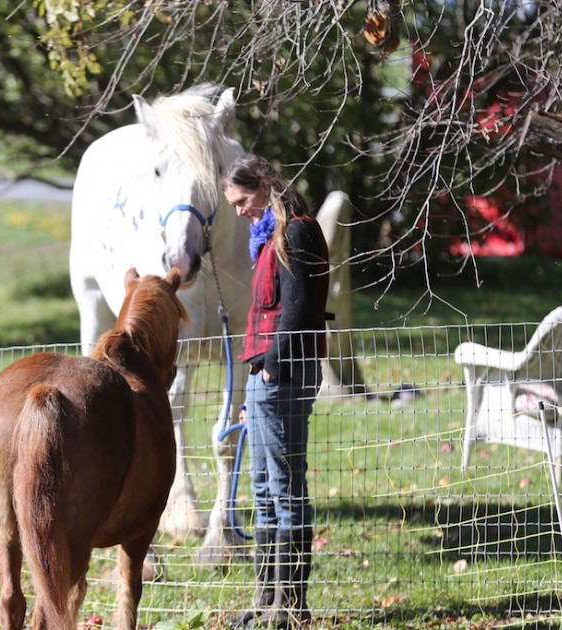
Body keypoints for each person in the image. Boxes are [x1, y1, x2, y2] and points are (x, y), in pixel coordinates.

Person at [223, 153, 330, 629]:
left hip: (283, 374)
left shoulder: (297, 232)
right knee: (263, 491)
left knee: (286, 490)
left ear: (265, 187)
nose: (240, 211)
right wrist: (252, 387)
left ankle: (292, 606)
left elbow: (299, 310)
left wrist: (270, 370)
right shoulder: (269, 236)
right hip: (263, 377)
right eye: (233, 204)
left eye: (243, 200)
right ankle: (267, 599)